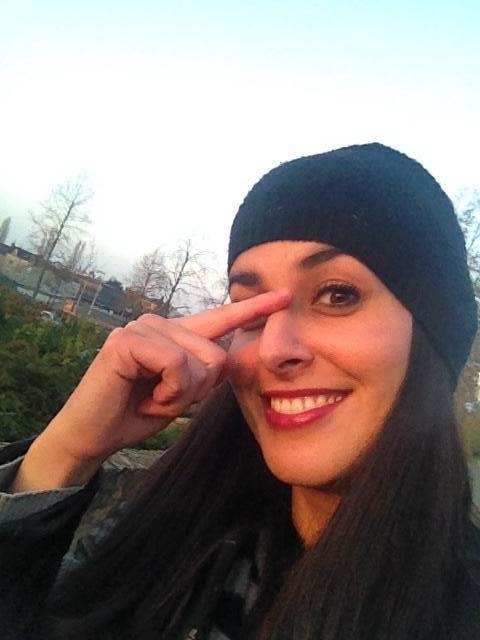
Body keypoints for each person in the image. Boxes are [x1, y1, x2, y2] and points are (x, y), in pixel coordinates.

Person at [0, 143, 479, 640]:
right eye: (251, 309)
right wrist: (65, 453)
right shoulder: (162, 540)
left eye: (338, 295)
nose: (272, 350)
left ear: (434, 336)